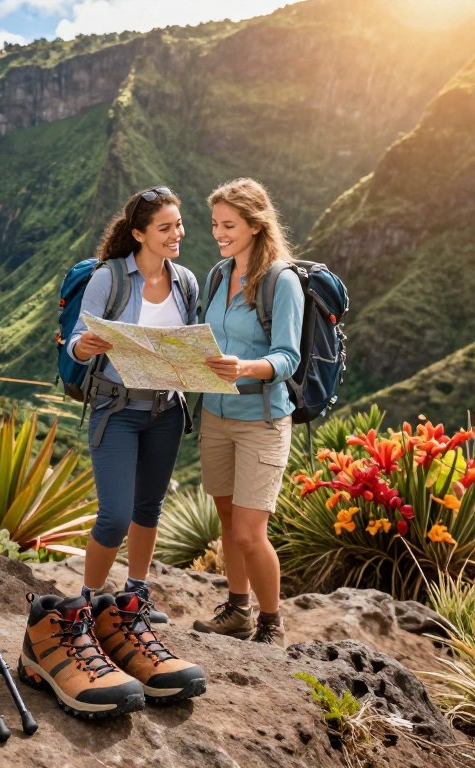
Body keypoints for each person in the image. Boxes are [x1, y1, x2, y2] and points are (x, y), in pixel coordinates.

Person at [42, 185, 205, 706]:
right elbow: (76, 340)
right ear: (139, 234)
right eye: (166, 227)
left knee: (148, 508)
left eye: (179, 225)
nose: (177, 234)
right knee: (113, 516)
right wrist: (83, 346)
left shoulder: (185, 282)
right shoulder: (107, 279)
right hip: (118, 409)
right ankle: (88, 602)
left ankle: (135, 592)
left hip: (166, 410)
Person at [193, 177, 303, 647]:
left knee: (249, 532)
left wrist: (247, 367)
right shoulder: (219, 275)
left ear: (256, 225)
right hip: (215, 416)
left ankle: (271, 624)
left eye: (229, 225)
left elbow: (288, 357)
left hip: (262, 420)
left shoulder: (283, 281)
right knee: (226, 520)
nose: (219, 233)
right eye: (216, 224)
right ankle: (237, 609)